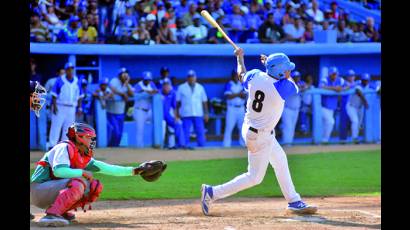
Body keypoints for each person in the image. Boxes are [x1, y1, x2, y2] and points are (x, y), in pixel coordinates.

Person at [200, 48, 318, 216]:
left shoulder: (255, 75)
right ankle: (212, 192)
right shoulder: (282, 86)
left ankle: (293, 200)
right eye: (286, 69)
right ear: (278, 71)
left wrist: (240, 58)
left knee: (280, 161)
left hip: (254, 128)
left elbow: (242, 74)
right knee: (254, 177)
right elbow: (289, 80)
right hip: (259, 136)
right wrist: (269, 64)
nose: (289, 71)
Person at [31, 122, 167, 227]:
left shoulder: (82, 156)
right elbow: (59, 171)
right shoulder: (64, 148)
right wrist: (82, 172)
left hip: (49, 191)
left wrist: (137, 170)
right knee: (79, 182)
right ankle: (51, 215)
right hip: (38, 190)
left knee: (94, 186)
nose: (91, 141)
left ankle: (60, 210)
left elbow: (109, 169)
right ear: (78, 137)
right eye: (89, 137)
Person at [48, 62, 83, 149]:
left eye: (72, 69)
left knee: (68, 128)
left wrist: (79, 107)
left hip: (72, 107)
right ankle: (52, 146)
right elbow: (54, 95)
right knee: (56, 126)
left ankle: (64, 147)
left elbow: (80, 96)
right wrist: (55, 107)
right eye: (68, 69)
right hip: (60, 106)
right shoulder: (60, 80)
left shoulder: (77, 81)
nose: (70, 71)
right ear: (66, 70)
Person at [175, 70, 209, 148]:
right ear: (187, 78)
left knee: (200, 131)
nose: (191, 78)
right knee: (186, 131)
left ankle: (201, 146)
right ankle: (184, 146)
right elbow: (178, 102)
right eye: (190, 77)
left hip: (198, 113)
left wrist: (206, 113)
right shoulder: (181, 87)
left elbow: (204, 101)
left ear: (195, 77)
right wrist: (177, 113)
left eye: (193, 77)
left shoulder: (200, 87)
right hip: (186, 113)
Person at [106, 68, 134, 147]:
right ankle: (110, 147)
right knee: (115, 132)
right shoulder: (114, 80)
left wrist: (127, 83)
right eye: (123, 73)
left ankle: (115, 148)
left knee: (120, 134)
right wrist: (122, 94)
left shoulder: (126, 84)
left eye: (126, 73)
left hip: (121, 112)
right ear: (119, 75)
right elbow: (112, 88)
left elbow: (132, 94)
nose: (125, 75)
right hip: (112, 112)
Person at [319, 67, 345, 144]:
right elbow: (321, 86)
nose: (334, 76)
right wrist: (334, 88)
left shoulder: (340, 80)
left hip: (332, 108)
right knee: (331, 122)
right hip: (323, 107)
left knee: (325, 124)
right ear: (329, 74)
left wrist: (342, 88)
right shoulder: (325, 79)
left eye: (335, 74)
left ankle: (321, 142)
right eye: (333, 74)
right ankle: (325, 140)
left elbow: (349, 86)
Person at [133, 71, 158, 148]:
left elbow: (156, 91)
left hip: (149, 111)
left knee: (158, 123)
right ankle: (139, 148)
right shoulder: (138, 85)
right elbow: (136, 95)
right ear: (143, 79)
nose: (148, 81)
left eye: (149, 79)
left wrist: (146, 91)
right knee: (140, 130)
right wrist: (148, 92)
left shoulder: (152, 84)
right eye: (146, 79)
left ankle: (156, 144)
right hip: (139, 110)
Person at [223, 70, 246, 148]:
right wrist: (238, 94)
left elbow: (244, 96)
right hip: (231, 108)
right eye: (235, 75)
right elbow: (228, 96)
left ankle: (243, 144)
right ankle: (226, 145)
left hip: (241, 108)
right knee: (229, 127)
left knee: (242, 127)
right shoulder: (229, 84)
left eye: (237, 75)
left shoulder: (242, 84)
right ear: (232, 76)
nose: (236, 76)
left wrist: (235, 94)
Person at [161, 80, 187, 149]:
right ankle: (160, 145)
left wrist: (176, 117)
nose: (166, 87)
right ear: (162, 86)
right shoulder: (158, 93)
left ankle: (182, 144)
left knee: (178, 123)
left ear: (170, 86)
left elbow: (174, 107)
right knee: (162, 127)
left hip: (167, 115)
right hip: (158, 116)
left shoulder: (173, 93)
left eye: (167, 85)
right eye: (165, 85)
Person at [281, 71, 304, 146]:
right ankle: (287, 143)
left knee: (292, 127)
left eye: (298, 77)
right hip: (287, 109)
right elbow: (296, 90)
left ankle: (289, 144)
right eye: (295, 77)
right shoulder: (288, 84)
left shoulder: (300, 84)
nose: (297, 79)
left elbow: (306, 86)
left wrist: (305, 87)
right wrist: (303, 88)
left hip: (296, 109)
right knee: (287, 126)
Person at [346, 73, 370, 144]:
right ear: (361, 80)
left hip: (360, 108)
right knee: (355, 121)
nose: (365, 82)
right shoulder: (358, 84)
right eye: (364, 80)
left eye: (367, 80)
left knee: (359, 124)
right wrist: (365, 102)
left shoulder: (368, 85)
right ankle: (354, 138)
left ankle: (355, 139)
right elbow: (358, 91)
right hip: (351, 106)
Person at [339, 69, 356, 143]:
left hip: (353, 106)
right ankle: (343, 139)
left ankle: (354, 138)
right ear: (347, 77)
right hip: (344, 105)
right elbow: (342, 89)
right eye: (350, 76)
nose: (351, 77)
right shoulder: (344, 83)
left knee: (354, 122)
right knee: (344, 122)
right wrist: (350, 86)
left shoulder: (356, 83)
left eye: (352, 76)